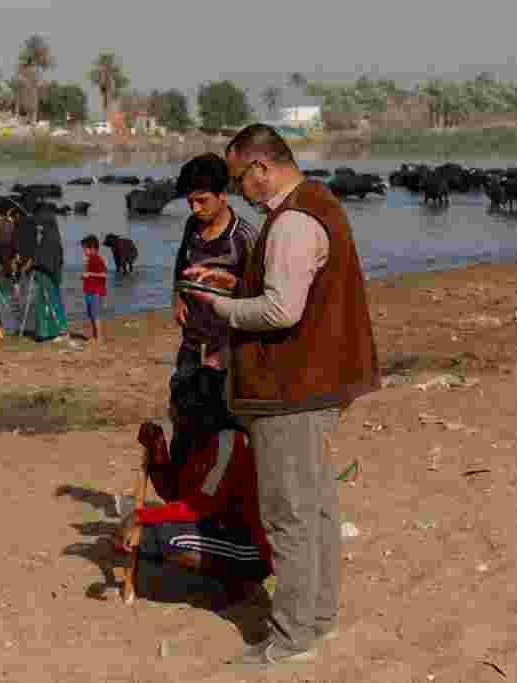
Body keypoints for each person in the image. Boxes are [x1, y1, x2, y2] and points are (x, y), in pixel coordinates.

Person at [183, 124, 380, 669]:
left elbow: (280, 310)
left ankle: (292, 636)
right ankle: (317, 616)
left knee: (289, 514)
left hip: (289, 388)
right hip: (313, 382)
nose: (238, 190)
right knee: (314, 505)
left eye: (237, 178)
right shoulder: (318, 205)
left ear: (261, 168)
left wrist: (221, 308)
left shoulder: (292, 221)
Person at [115, 366, 271, 604]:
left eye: (177, 413)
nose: (172, 416)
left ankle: (243, 582)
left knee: (164, 536)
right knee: (150, 532)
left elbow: (199, 506)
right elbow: (174, 493)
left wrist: (142, 516)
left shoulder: (230, 441)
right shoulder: (196, 440)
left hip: (251, 547)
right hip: (218, 526)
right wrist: (158, 449)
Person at [172, 153, 259, 381]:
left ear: (223, 195)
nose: (195, 209)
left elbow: (258, 294)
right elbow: (182, 261)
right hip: (192, 338)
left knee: (218, 407)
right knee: (183, 397)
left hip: (225, 345)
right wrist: (177, 295)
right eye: (190, 202)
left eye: (202, 200)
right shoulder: (192, 225)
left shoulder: (244, 237)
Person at [15, 202, 70, 342]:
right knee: (48, 299)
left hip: (46, 270)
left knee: (47, 300)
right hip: (51, 269)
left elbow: (39, 254)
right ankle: (51, 331)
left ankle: (54, 331)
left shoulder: (47, 228)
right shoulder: (52, 232)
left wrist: (29, 264)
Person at [80, 234, 107, 343]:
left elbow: (104, 274)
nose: (84, 251)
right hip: (89, 290)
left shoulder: (97, 259)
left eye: (85, 249)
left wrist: (89, 274)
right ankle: (95, 336)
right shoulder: (90, 259)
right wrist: (85, 275)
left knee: (95, 314)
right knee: (91, 314)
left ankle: (99, 337)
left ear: (92, 248)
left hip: (96, 291)